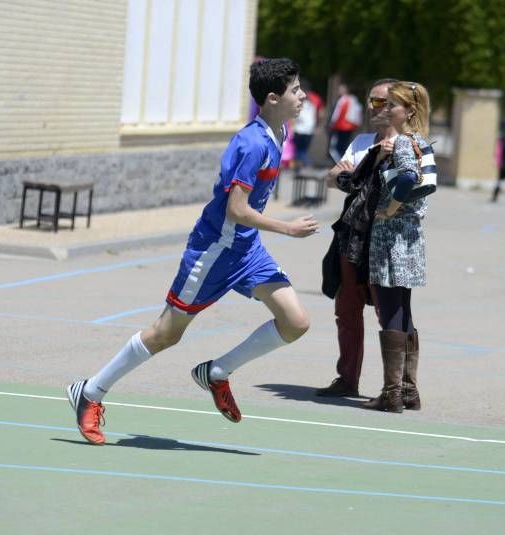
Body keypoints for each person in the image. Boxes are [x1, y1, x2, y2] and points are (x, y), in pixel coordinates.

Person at [66, 58, 319, 445]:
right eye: (296, 89)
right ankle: (90, 392)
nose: (302, 95)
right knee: (166, 334)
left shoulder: (279, 131)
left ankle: (217, 373)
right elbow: (236, 209)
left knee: (295, 322)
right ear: (272, 99)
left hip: (247, 249)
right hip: (215, 250)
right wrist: (287, 227)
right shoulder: (251, 144)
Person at [315, 78, 399, 398]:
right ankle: (347, 379)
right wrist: (347, 175)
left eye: (382, 102)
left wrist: (351, 175)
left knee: (390, 313)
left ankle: (398, 386)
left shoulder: (407, 143)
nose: (374, 108)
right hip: (352, 237)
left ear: (400, 107)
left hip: (386, 241)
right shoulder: (363, 140)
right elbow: (333, 177)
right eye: (371, 101)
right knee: (346, 310)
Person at [362, 81, 433, 413]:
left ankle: (392, 393)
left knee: (390, 309)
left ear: (410, 111)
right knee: (403, 308)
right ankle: (408, 389)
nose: (387, 110)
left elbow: (406, 179)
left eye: (392, 105)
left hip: (392, 237)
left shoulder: (404, 141)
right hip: (411, 237)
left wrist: (389, 209)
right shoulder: (420, 142)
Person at [291, 78, 322, 168]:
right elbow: (319, 114)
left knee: (298, 151)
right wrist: (317, 126)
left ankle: (306, 166)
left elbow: (296, 117)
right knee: (303, 150)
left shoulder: (299, 101)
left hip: (299, 130)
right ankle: (302, 166)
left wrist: (292, 127)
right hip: (309, 130)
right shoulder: (314, 100)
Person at [327, 83, 362, 162]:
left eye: (340, 89)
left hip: (340, 126)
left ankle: (340, 162)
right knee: (345, 145)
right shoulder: (353, 99)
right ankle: (344, 161)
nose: (338, 91)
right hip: (350, 126)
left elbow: (336, 114)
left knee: (335, 147)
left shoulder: (342, 100)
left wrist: (331, 124)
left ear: (345, 90)